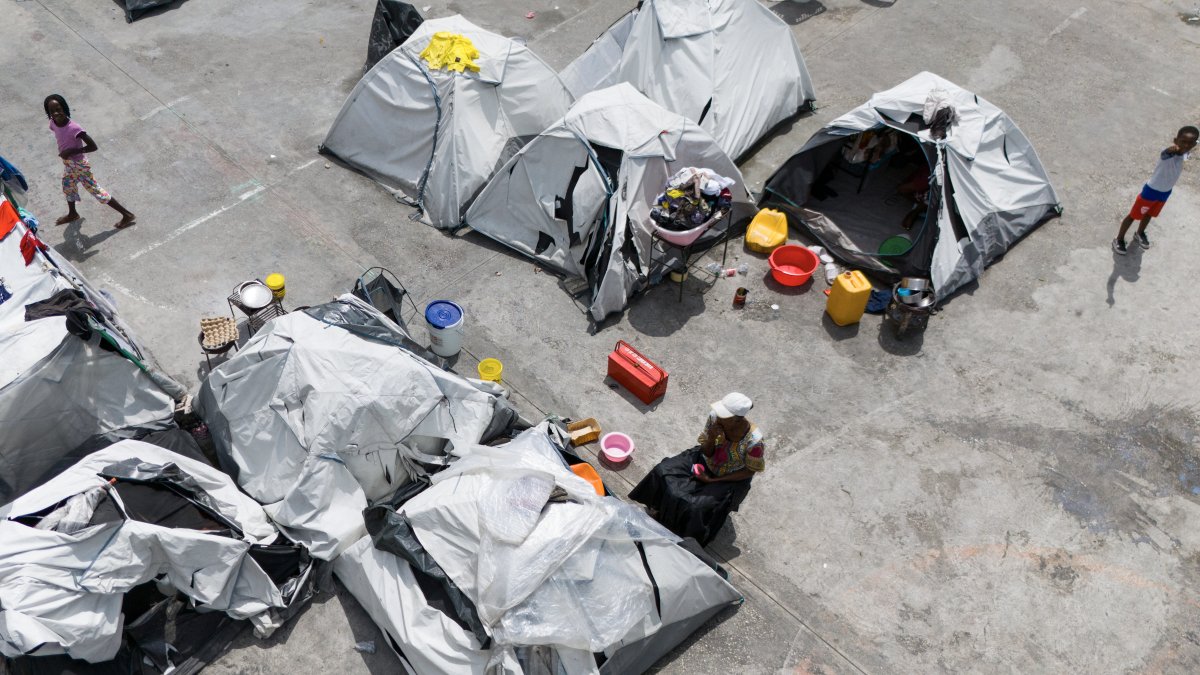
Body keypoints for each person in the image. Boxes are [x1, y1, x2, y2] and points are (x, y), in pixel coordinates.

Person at [629, 392, 764, 546]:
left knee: (696, 506)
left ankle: (688, 538)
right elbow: (706, 451)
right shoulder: (714, 417)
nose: (718, 418)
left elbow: (749, 471)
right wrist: (712, 438)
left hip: (730, 476)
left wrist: (713, 480)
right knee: (662, 471)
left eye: (724, 416)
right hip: (706, 459)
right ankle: (658, 508)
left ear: (736, 420)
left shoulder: (754, 441)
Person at [44, 94, 136, 229]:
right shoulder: (53, 124)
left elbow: (93, 147)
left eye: (59, 109)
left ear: (64, 108)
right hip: (69, 164)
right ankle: (73, 214)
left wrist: (71, 151)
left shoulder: (74, 128)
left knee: (96, 191)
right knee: (68, 186)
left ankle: (127, 214)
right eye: (52, 111)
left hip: (80, 165)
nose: (56, 113)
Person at [1113, 125, 1197, 254]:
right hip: (1151, 191)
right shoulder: (1168, 153)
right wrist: (1172, 149)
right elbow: (1167, 152)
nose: (1186, 145)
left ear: (1194, 145)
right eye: (1183, 142)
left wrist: (1188, 147)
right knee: (1133, 215)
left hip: (1165, 192)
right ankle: (1118, 239)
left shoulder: (1186, 153)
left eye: (1189, 143)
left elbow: (1190, 147)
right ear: (1176, 141)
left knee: (1150, 214)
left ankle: (1139, 233)